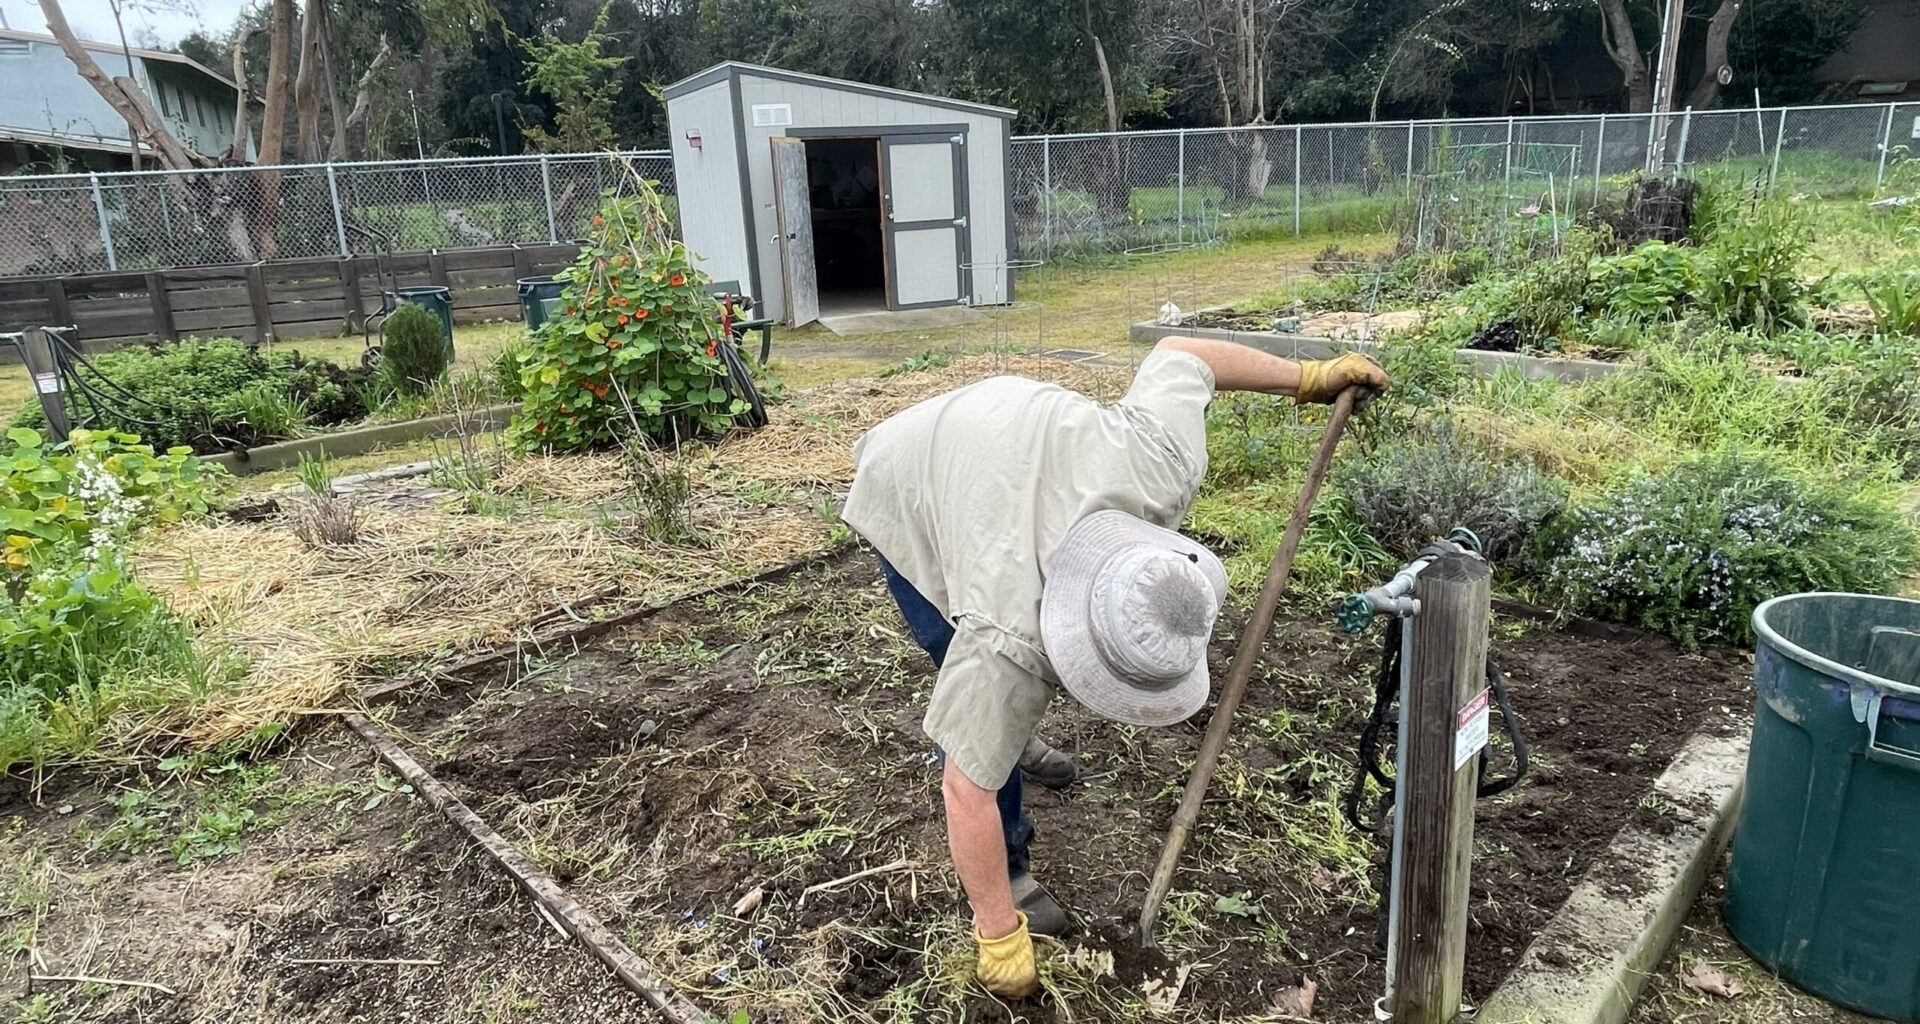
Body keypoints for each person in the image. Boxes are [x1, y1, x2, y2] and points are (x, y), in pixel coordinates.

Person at [841, 338, 1390, 998]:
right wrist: (998, 933)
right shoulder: (1007, 635)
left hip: (1009, 436)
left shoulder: (1160, 463)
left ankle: (1008, 738)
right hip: (909, 471)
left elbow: (1185, 354)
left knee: (994, 708)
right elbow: (963, 791)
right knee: (969, 703)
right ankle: (1011, 866)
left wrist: (1307, 375)